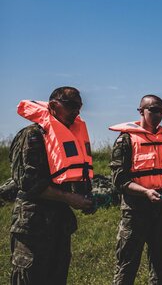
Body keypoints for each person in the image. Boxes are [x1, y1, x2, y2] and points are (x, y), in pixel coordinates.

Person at [10, 87, 95, 284]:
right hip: (33, 225)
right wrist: (71, 199)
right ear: (54, 106)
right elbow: (28, 183)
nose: (77, 111)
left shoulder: (71, 135)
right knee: (30, 277)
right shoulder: (32, 135)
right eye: (72, 106)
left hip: (59, 223)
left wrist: (85, 197)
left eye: (79, 106)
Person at [109, 94, 162, 285]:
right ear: (141, 111)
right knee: (126, 264)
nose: (158, 114)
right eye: (153, 109)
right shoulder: (126, 140)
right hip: (135, 211)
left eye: (161, 110)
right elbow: (119, 180)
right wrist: (145, 192)